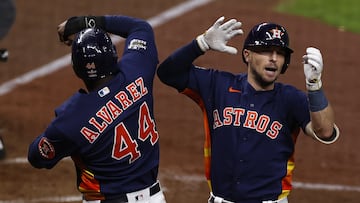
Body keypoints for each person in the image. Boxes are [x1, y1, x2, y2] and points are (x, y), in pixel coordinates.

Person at [157, 16, 340, 203]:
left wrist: (314, 86)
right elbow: (167, 73)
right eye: (266, 51)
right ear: (247, 55)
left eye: (280, 53)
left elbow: (325, 131)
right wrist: (201, 43)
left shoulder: (291, 99)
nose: (274, 58)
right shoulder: (217, 85)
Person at [28, 15, 166, 203]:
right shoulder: (137, 70)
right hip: (154, 198)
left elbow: (37, 157)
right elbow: (139, 27)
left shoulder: (70, 120)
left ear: (75, 66)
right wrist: (84, 23)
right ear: (112, 55)